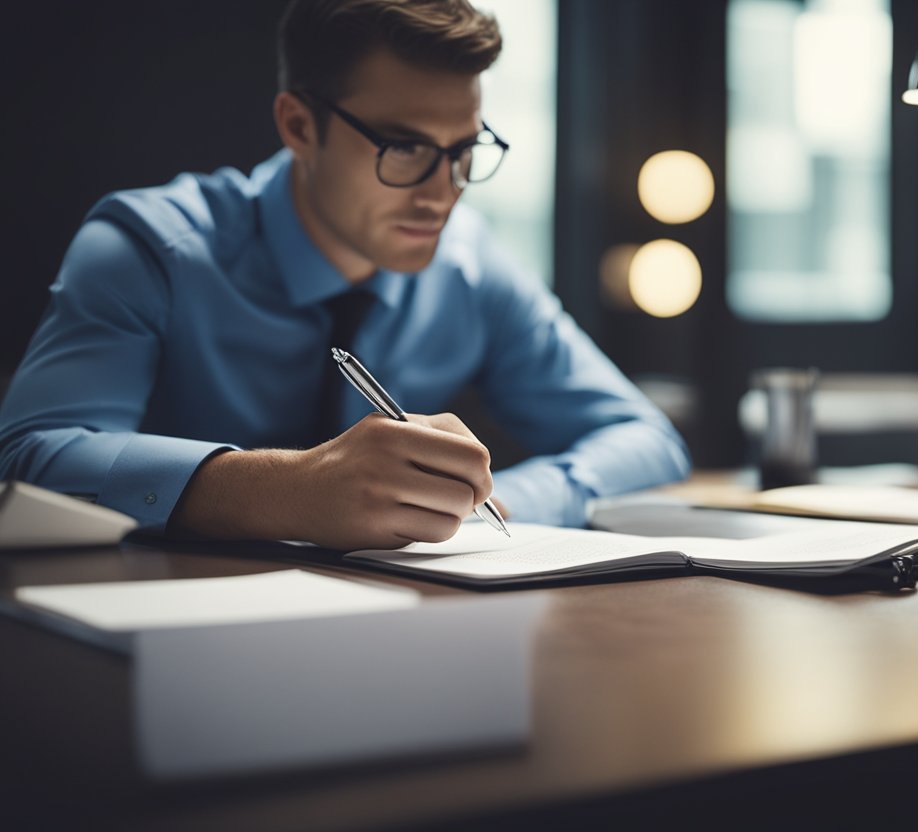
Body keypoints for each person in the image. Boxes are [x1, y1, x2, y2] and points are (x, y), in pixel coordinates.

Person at [0, 0, 689, 550]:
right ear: (299, 126)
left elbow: (646, 440)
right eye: (406, 147)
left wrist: (488, 500)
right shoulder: (151, 250)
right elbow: (28, 458)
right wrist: (286, 490)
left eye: (464, 150)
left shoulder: (471, 266)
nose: (443, 191)